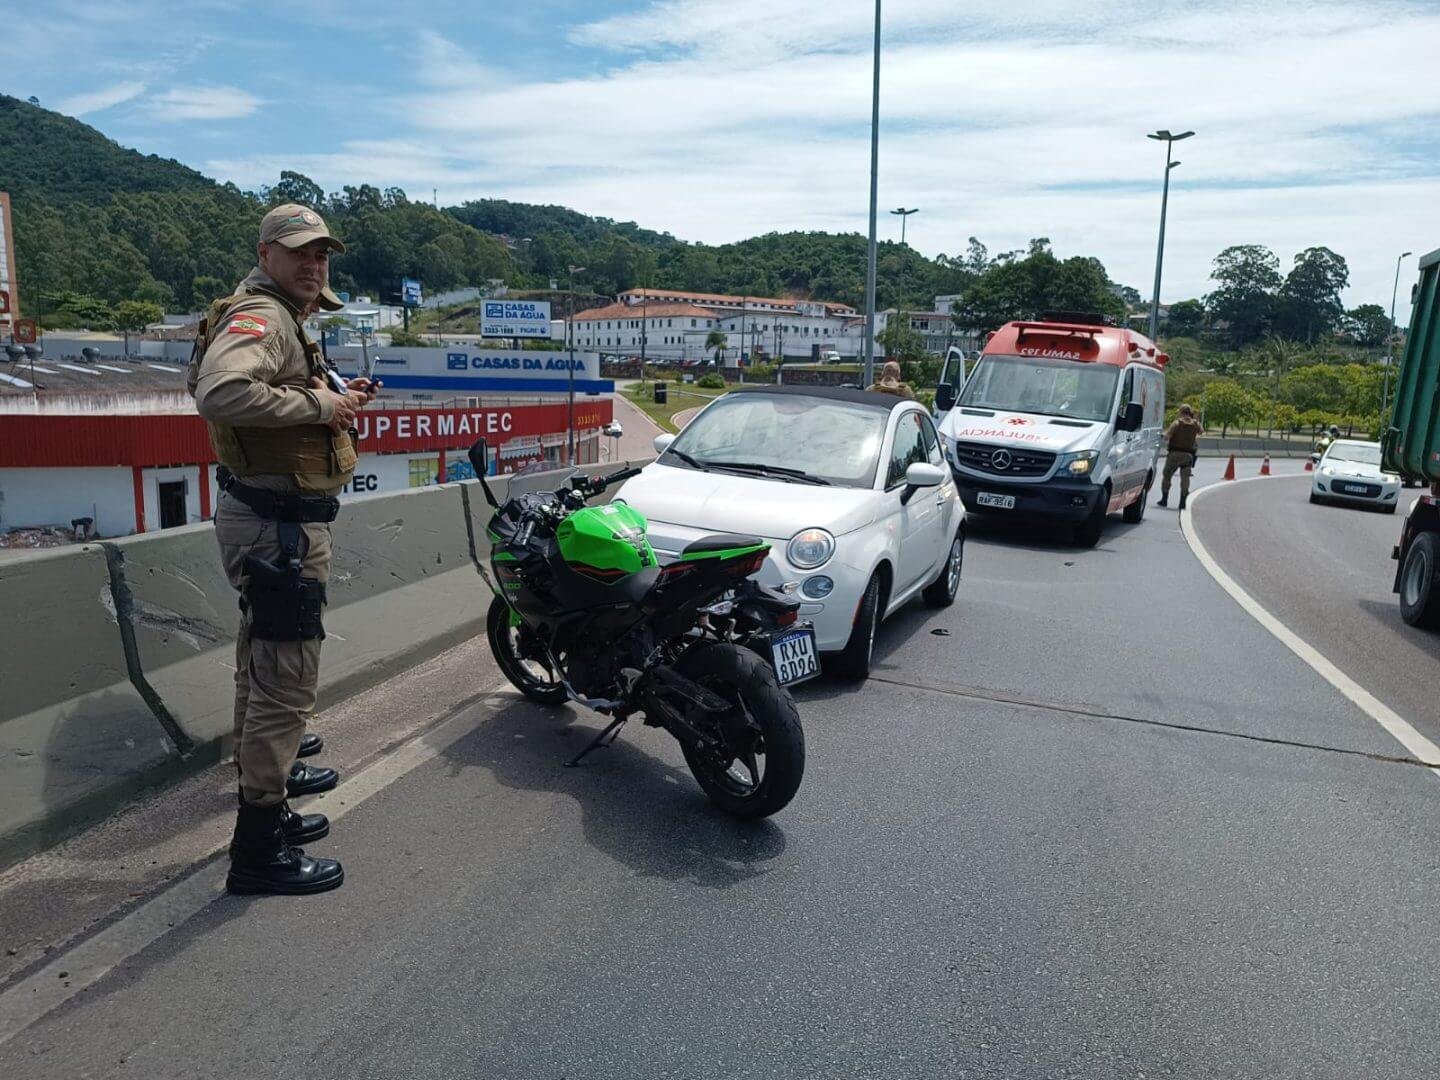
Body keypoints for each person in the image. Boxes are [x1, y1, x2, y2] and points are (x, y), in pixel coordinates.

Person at [188, 203, 377, 895]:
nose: (313, 264)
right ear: (266, 253)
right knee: (286, 681)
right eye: (299, 251)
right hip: (277, 525)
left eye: (322, 254)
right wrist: (324, 410)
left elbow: (270, 393)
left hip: (268, 515)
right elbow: (224, 390)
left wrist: (332, 396)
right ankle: (258, 849)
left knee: (261, 662)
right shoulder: (262, 317)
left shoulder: (276, 315)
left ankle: (268, 786)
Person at [1157, 403, 1204, 510]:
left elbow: (1167, 437)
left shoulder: (1177, 423)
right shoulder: (1195, 424)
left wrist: (1162, 435)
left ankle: (1164, 499)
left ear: (1181, 412)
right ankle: (1182, 501)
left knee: (1167, 476)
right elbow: (1201, 432)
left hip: (1174, 454)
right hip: (1188, 456)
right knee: (1185, 479)